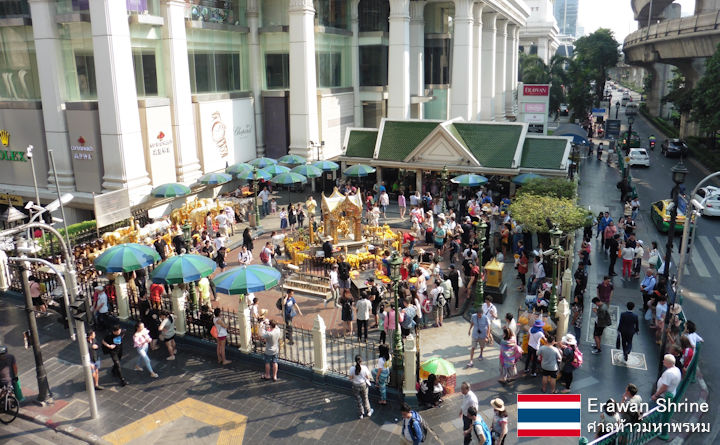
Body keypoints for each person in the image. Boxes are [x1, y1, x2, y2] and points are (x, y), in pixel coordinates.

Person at [348, 355, 373, 419]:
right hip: (363, 384)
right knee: (365, 398)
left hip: (355, 385)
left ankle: (361, 413)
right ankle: (368, 411)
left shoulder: (352, 369)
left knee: (359, 400)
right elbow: (368, 377)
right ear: (361, 361)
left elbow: (350, 378)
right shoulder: (364, 368)